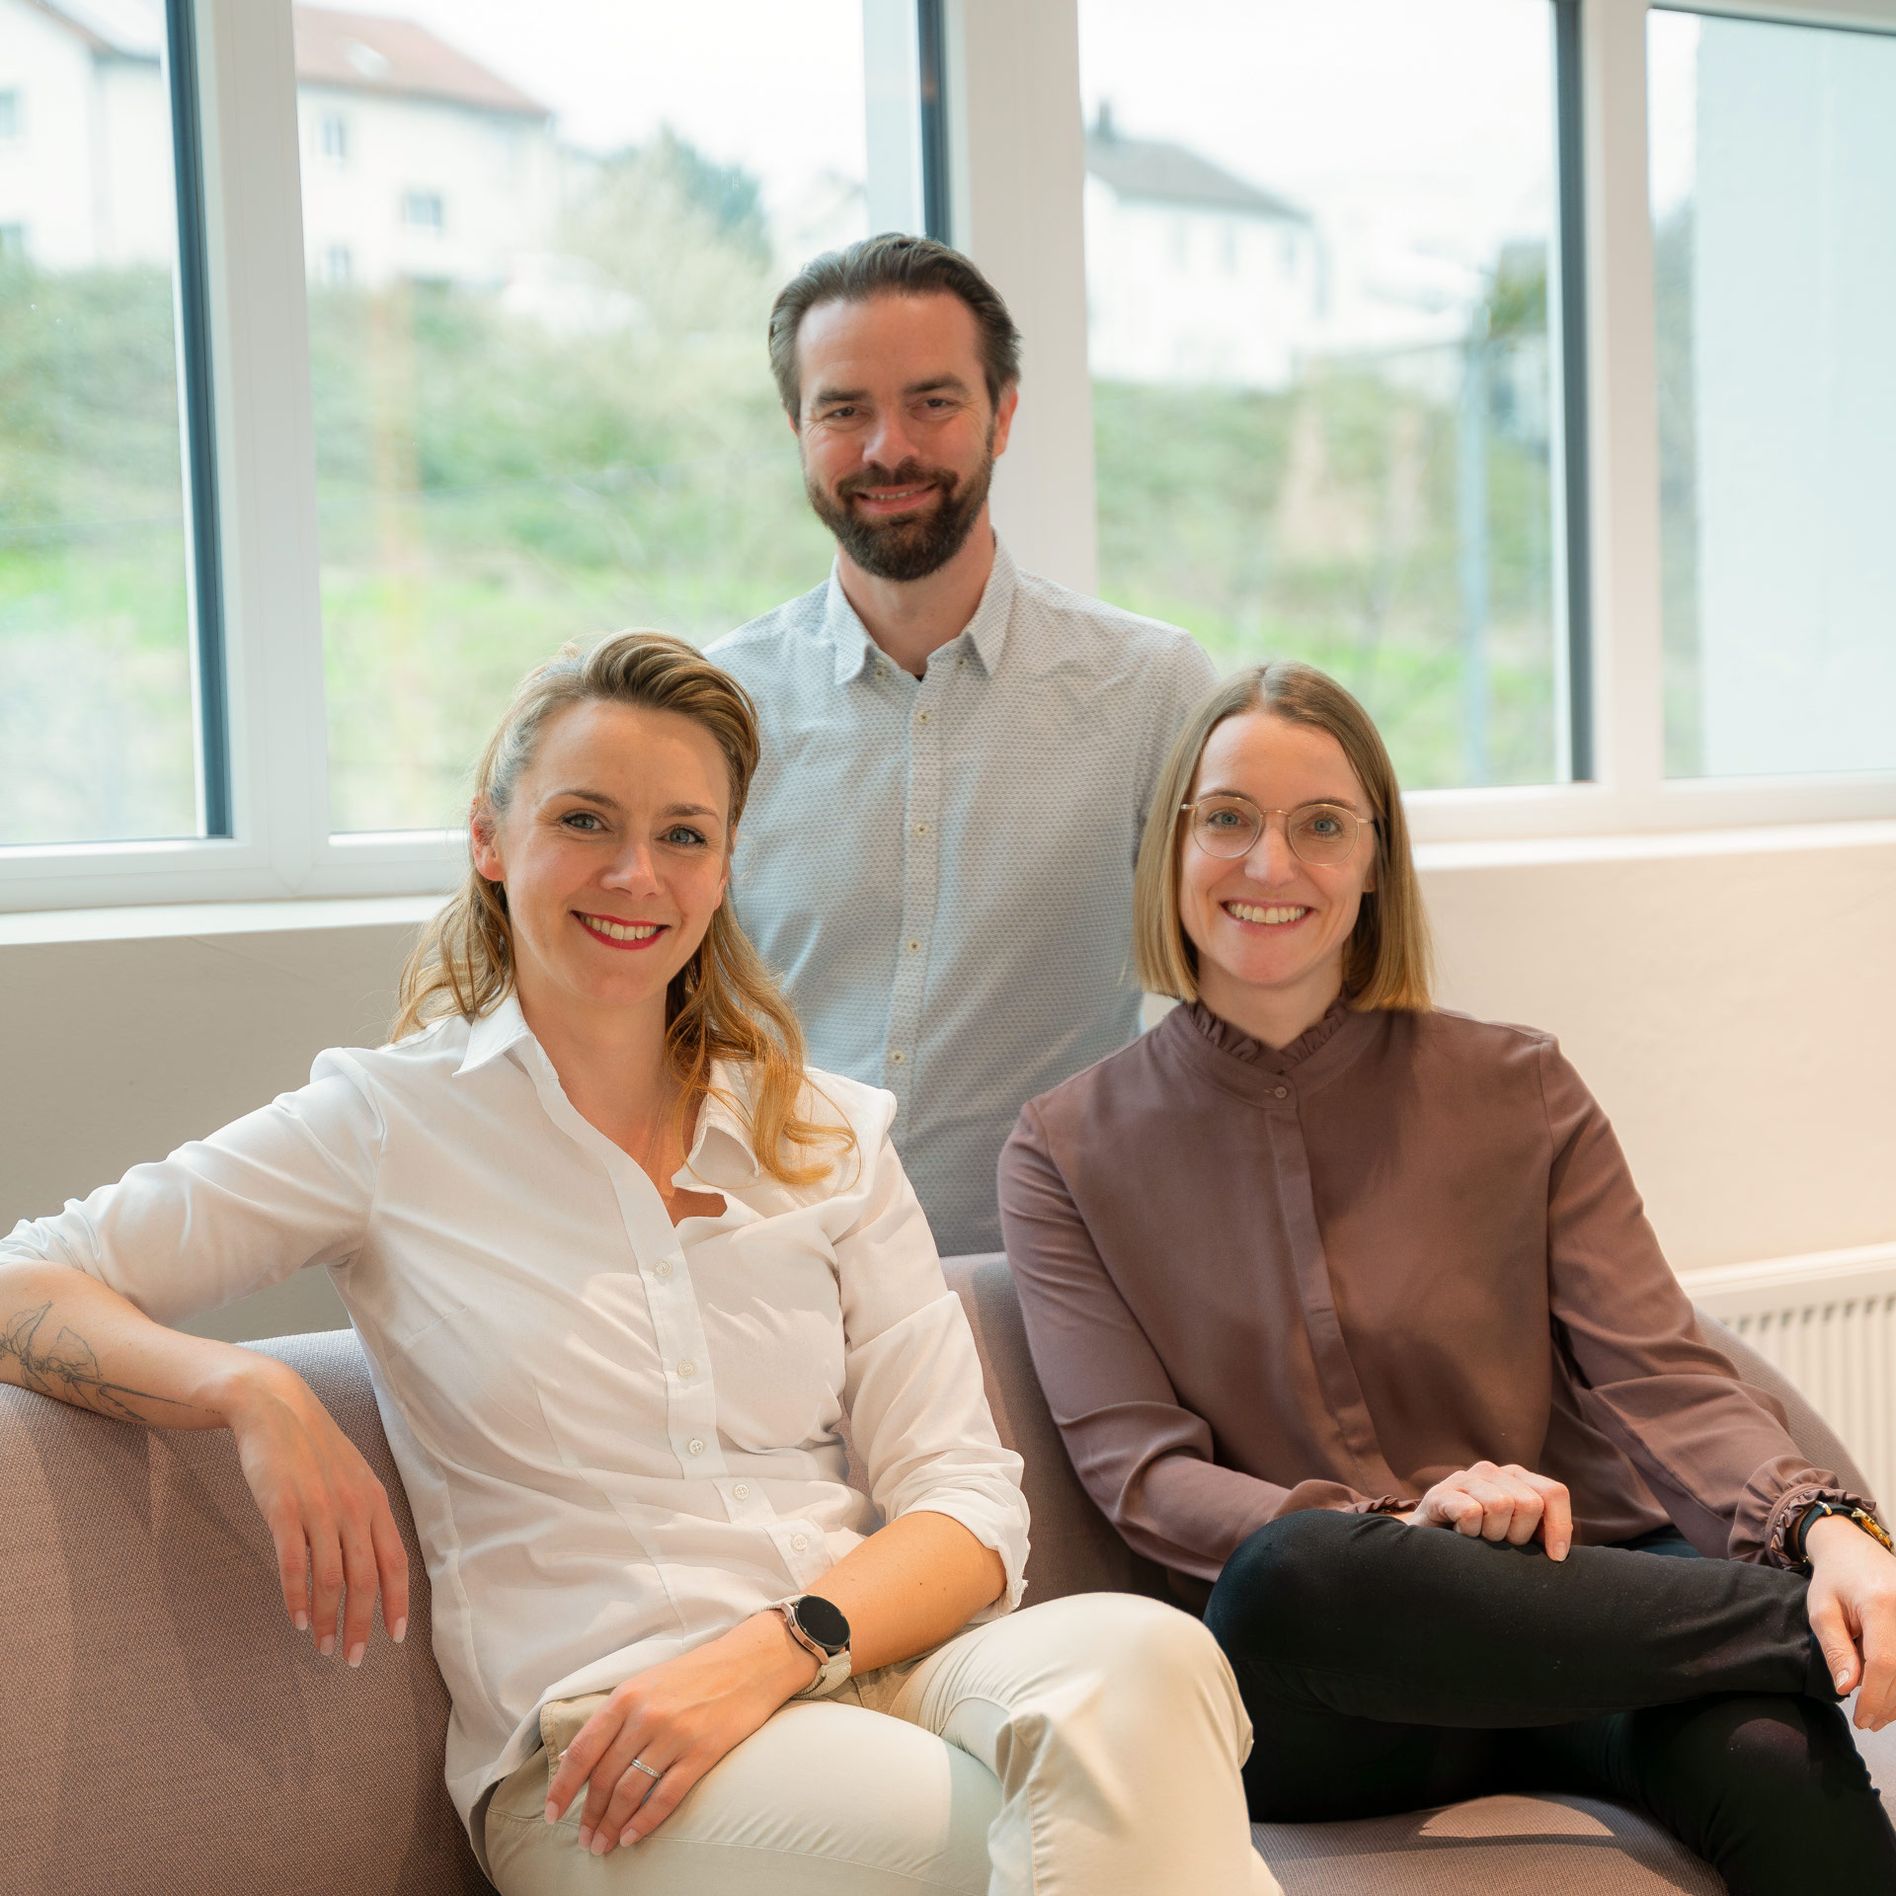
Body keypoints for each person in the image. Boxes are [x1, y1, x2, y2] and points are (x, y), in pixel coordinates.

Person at [0, 631, 1274, 1896]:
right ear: (492, 843)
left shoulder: (826, 1134)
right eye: (585, 820)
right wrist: (249, 1392)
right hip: (615, 1750)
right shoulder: (387, 1126)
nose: (635, 874)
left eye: (682, 834)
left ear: (724, 870)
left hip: (878, 1664)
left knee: (1155, 1662)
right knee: (1070, 1828)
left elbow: (969, 1506)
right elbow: (25, 1279)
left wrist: (784, 1649)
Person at [998, 658, 1896, 1891]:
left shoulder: (1520, 1087)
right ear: (1173, 846)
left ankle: (1809, 1626)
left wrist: (1826, 1525)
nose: (1271, 865)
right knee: (1290, 1570)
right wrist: (1406, 1532)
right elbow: (1142, 1477)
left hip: (1578, 1631)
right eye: (1228, 819)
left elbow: (1662, 1372)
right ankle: (1801, 1629)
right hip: (1328, 1686)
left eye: (1322, 825)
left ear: (1375, 863)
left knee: (1771, 1751)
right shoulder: (1062, 1147)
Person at [709, 233, 1216, 1257]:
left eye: (933, 402)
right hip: (773, 1275)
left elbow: (1244, 997)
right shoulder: (719, 707)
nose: (887, 448)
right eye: (843, 409)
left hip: (1055, 1286)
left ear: (1005, 413)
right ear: (797, 428)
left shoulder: (1153, 691)